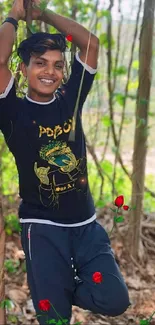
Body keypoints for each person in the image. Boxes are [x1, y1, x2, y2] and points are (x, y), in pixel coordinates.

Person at [0, 0, 131, 324]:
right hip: (43, 230)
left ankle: (59, 289)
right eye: (40, 63)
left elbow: (90, 44)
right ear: (23, 69)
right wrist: (14, 15)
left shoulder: (69, 100)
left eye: (58, 65)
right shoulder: (13, 111)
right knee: (54, 319)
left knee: (113, 298)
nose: (50, 72)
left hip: (86, 228)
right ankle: (53, 294)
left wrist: (43, 13)